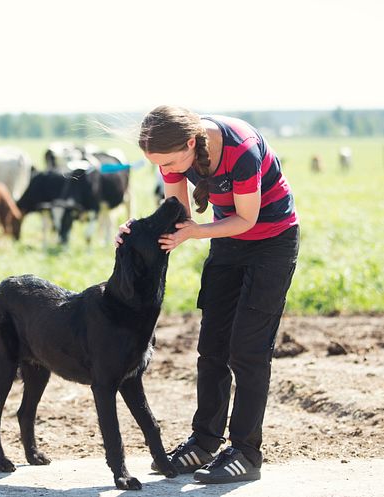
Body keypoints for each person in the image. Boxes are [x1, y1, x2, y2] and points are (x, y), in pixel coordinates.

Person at [115, 105, 299, 484]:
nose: (168, 169)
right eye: (159, 164)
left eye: (168, 162)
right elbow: (177, 215)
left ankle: (246, 453)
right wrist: (136, 232)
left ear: (188, 143)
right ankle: (204, 442)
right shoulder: (172, 155)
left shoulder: (240, 149)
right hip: (227, 241)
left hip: (271, 243)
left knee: (247, 350)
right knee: (212, 346)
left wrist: (196, 232)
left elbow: (247, 219)